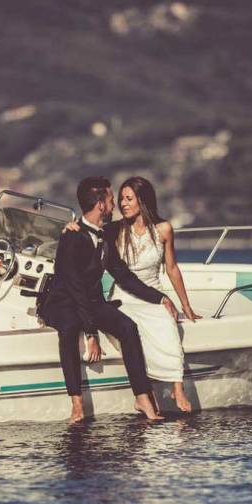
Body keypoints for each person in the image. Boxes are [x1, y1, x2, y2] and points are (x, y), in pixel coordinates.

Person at [37, 176, 178, 423]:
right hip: (62, 301)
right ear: (101, 204)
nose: (115, 205)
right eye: (112, 200)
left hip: (90, 302)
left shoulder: (105, 234)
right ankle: (77, 404)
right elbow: (75, 288)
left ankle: (143, 396)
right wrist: (91, 334)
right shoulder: (71, 237)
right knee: (70, 327)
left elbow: (123, 275)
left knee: (127, 326)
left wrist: (160, 298)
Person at [67, 176, 201, 413]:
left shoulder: (164, 229)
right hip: (125, 294)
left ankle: (177, 387)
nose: (123, 204)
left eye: (129, 199)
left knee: (165, 319)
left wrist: (185, 305)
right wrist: (70, 226)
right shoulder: (115, 230)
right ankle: (146, 392)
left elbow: (172, 269)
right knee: (131, 326)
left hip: (152, 292)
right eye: (120, 199)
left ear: (143, 200)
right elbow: (88, 226)